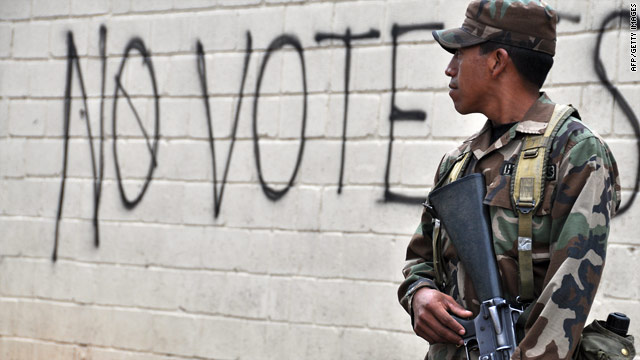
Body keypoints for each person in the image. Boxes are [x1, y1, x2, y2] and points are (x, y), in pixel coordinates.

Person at [397, 0, 621, 359]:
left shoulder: (574, 153)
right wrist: (420, 294)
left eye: (459, 53)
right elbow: (421, 259)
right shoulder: (458, 163)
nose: (449, 69)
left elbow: (568, 296)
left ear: (497, 61)